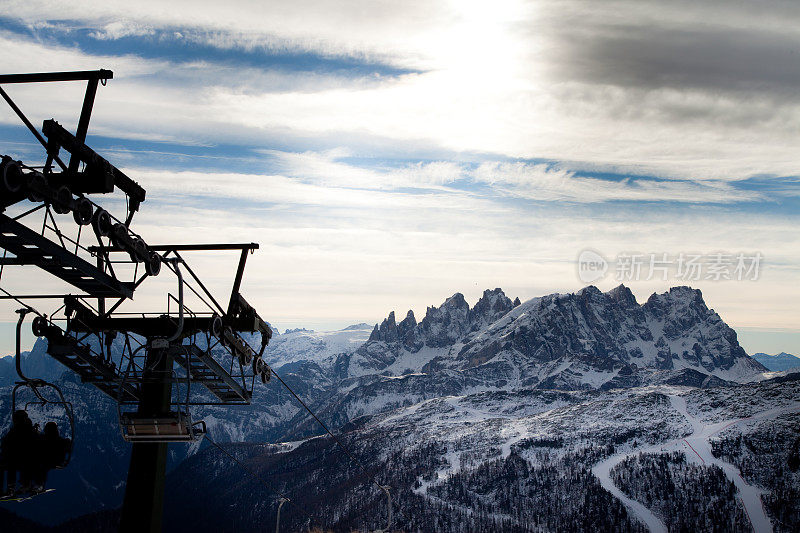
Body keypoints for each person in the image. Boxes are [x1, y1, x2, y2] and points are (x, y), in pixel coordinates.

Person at [1, 410, 37, 496]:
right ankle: (24, 485)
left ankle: (11, 488)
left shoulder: (17, 431)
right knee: (11, 463)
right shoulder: (30, 430)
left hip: (21, 459)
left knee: (9, 465)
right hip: (23, 459)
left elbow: (6, 443)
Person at [33, 421, 70, 489]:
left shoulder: (44, 438)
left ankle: (37, 484)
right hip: (57, 461)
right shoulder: (60, 440)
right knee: (41, 466)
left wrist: (35, 430)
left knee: (39, 466)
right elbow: (68, 449)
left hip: (48, 461)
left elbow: (36, 438)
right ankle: (39, 484)